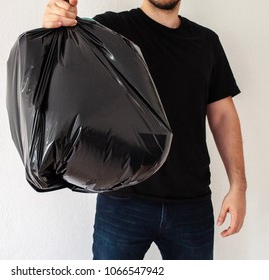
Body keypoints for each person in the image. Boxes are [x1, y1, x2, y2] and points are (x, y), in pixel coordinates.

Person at [42, 0, 247, 260]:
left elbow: (223, 117)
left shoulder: (206, 42)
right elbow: (63, 64)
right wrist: (55, 26)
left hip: (191, 204)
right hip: (123, 200)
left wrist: (238, 186)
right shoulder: (110, 28)